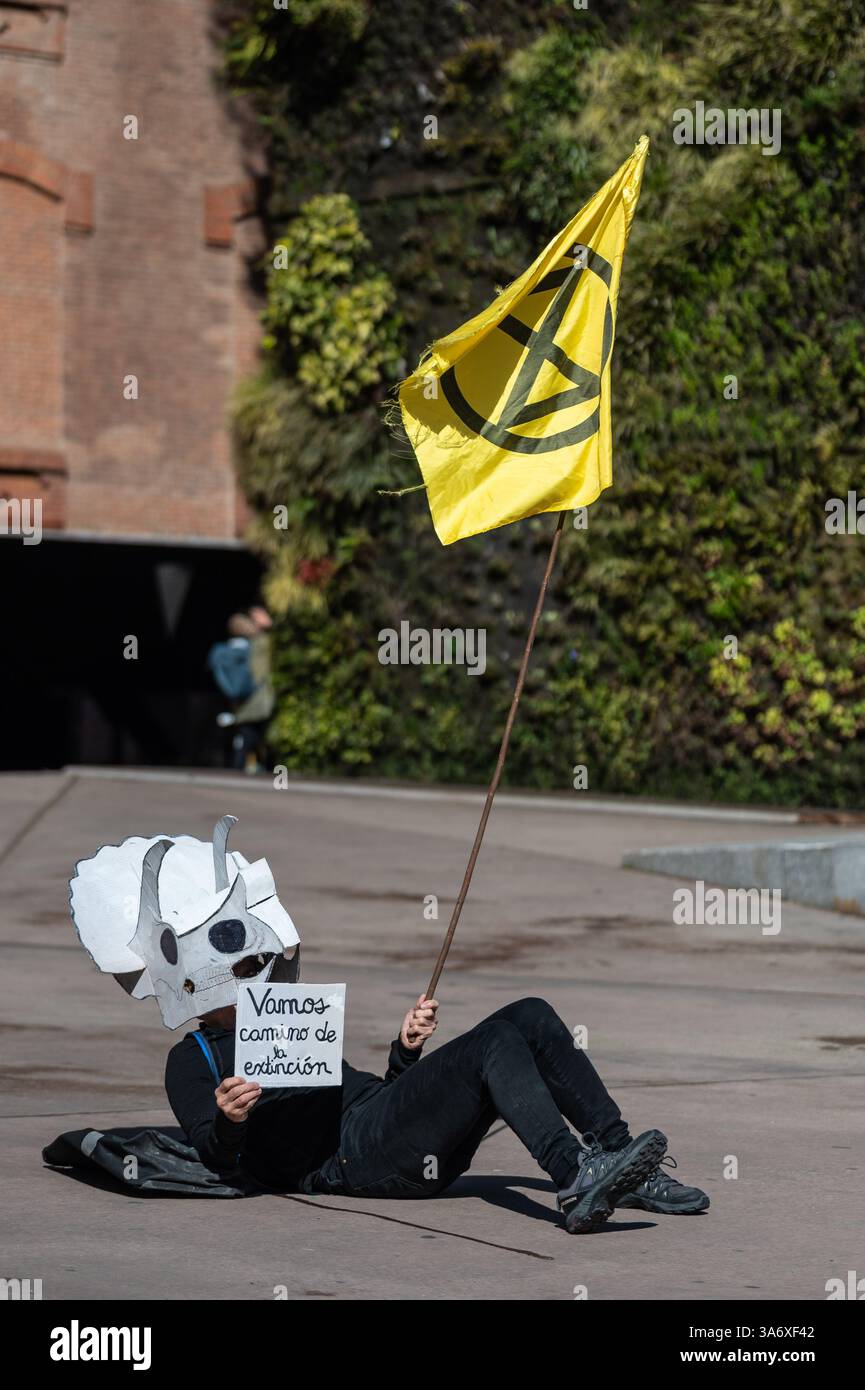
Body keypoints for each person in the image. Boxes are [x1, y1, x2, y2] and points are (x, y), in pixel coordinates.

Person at [165, 993, 709, 1234]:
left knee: (530, 1015)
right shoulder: (193, 1059)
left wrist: (404, 1052)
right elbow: (216, 1156)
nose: (247, 975)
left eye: (247, 963)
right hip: (350, 1161)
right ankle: (574, 1176)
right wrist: (230, 1119)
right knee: (493, 1041)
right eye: (229, 971)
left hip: (382, 1124)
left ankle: (618, 1157)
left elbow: (374, 1099)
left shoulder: (275, 1016)